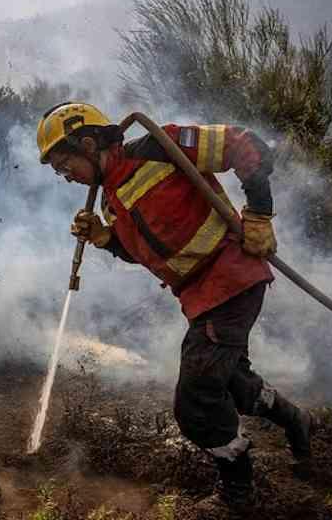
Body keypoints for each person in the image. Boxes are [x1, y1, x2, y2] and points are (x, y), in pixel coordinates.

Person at [35, 102, 311, 509]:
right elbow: (144, 252)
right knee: (231, 381)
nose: (67, 177)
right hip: (200, 297)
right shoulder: (111, 201)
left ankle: (238, 495)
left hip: (232, 279)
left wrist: (258, 214)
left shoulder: (159, 147)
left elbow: (245, 144)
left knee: (196, 399)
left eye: (65, 165)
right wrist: (104, 237)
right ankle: (295, 421)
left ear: (89, 144)